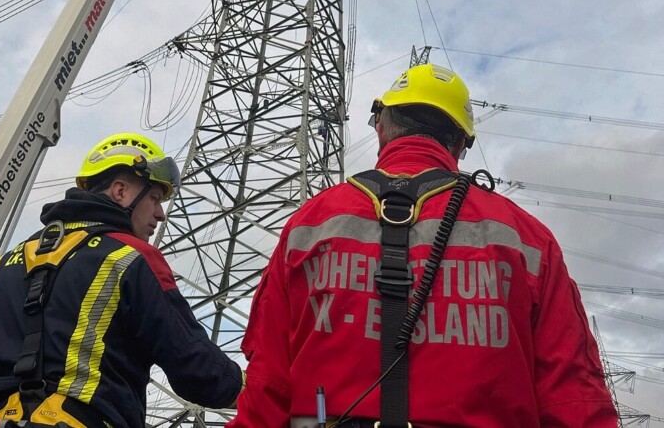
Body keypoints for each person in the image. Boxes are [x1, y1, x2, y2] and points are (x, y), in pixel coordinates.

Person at [227, 64, 617, 427]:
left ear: (381, 127)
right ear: (461, 143)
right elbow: (575, 400)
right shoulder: (525, 238)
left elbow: (266, 388)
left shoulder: (309, 224)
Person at [0, 133, 243, 428]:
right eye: (155, 198)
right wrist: (262, 388)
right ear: (121, 191)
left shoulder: (10, 260)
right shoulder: (132, 256)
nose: (161, 214)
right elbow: (200, 374)